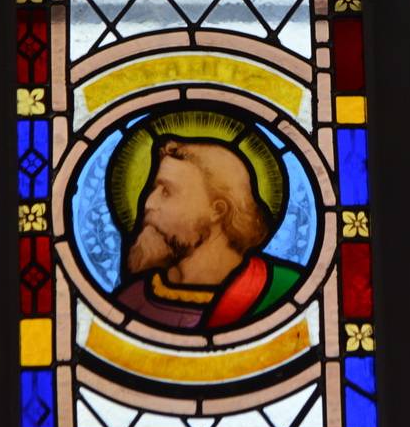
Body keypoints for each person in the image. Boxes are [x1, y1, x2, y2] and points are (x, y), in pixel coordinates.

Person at [114, 137, 302, 331]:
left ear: (217, 211)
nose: (148, 204)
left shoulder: (282, 290)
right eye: (154, 189)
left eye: (166, 192)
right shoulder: (132, 300)